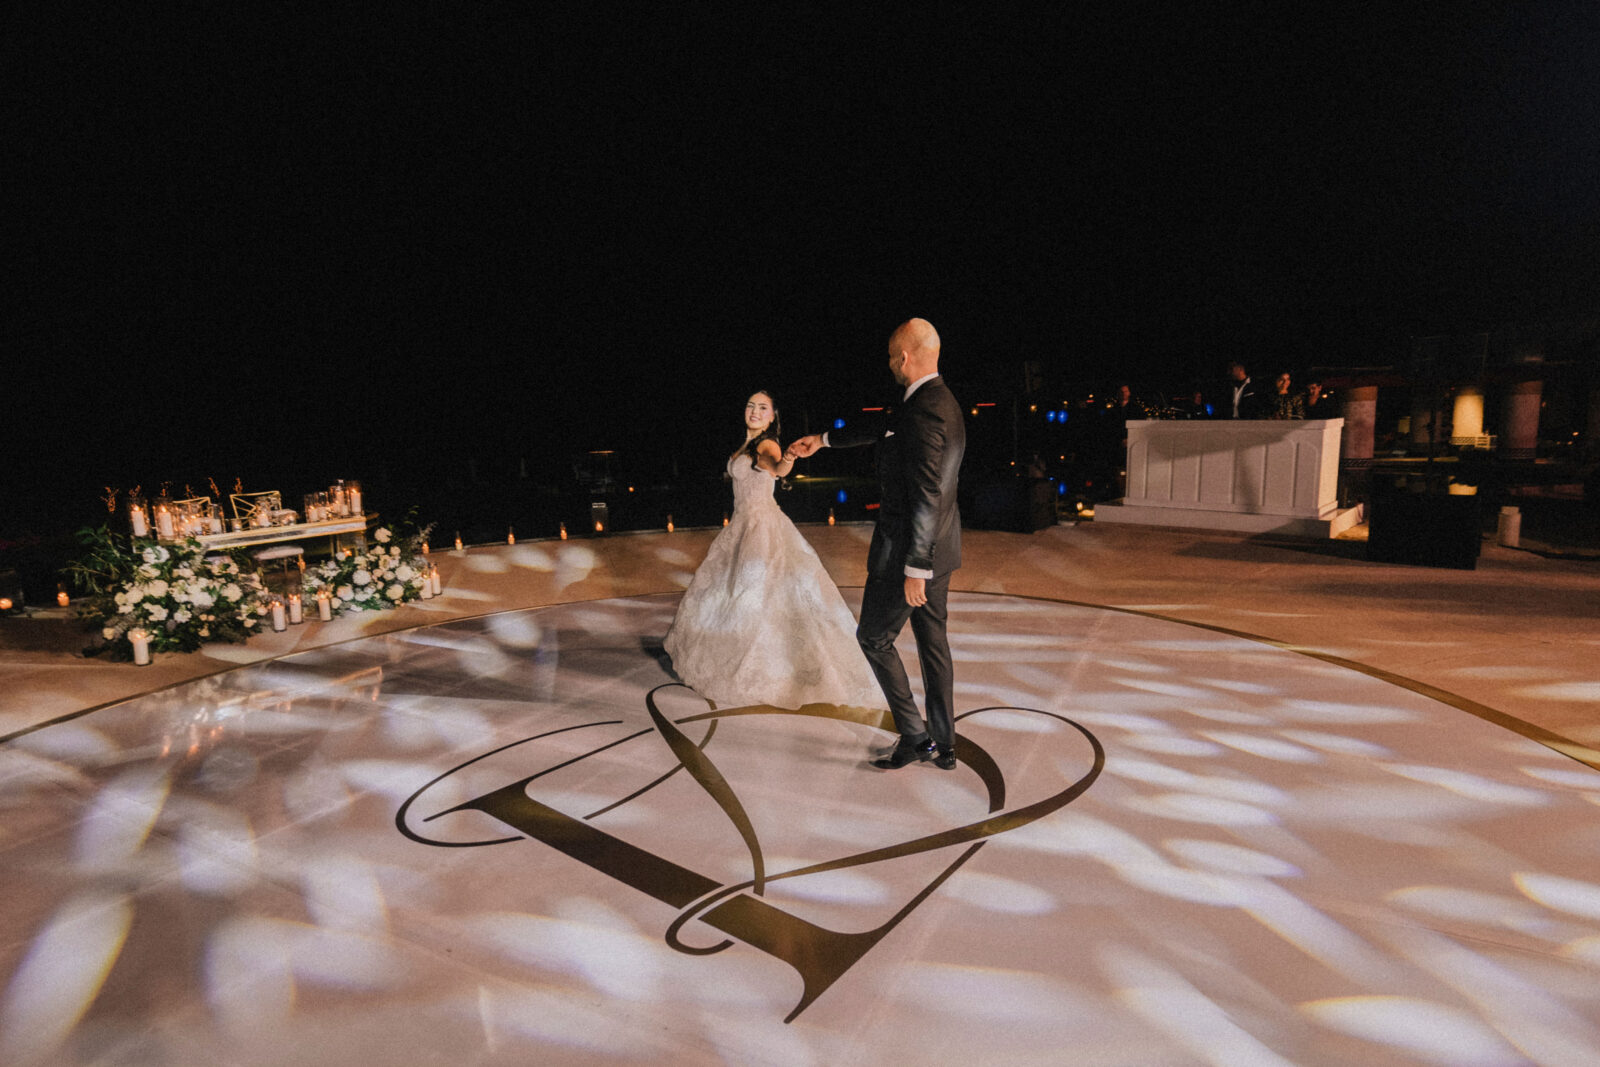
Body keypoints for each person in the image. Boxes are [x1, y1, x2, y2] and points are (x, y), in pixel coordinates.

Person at [787, 318, 965, 771]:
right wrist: (822, 441)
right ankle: (945, 745)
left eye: (891, 356)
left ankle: (915, 737)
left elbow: (927, 493)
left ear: (903, 357)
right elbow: (884, 427)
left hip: (910, 553)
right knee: (933, 644)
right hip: (942, 549)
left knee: (873, 638)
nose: (889, 365)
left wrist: (915, 568)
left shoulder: (924, 410)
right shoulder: (937, 400)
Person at [663, 391, 884, 711]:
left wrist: (788, 460)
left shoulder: (765, 445)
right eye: (751, 406)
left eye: (762, 408)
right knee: (728, 595)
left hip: (761, 528)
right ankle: (732, 655)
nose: (754, 411)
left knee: (754, 596)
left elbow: (776, 469)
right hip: (741, 526)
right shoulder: (744, 445)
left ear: (772, 417)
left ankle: (765, 666)